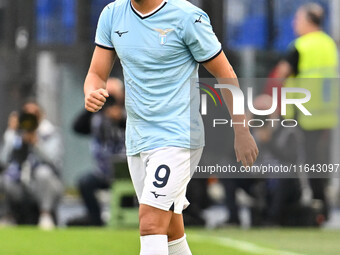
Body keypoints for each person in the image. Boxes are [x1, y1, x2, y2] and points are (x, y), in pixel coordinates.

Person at [84, 0, 258, 254]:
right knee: (171, 230)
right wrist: (91, 92)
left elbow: (226, 73)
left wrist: (241, 130)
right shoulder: (112, 14)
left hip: (178, 138)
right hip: (138, 140)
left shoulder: (187, 17)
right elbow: (96, 74)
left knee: (150, 222)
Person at [273, 3, 339, 220]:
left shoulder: (302, 46)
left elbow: (280, 75)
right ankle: (321, 206)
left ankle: (290, 207)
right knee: (316, 162)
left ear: (309, 22)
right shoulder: (329, 44)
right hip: (324, 115)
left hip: (300, 115)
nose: (294, 24)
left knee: (291, 159)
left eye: (297, 19)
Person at [68, 78, 126, 226]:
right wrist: (93, 104)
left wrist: (120, 120)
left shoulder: (129, 110)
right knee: (85, 182)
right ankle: (95, 219)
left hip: (128, 167)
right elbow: (77, 127)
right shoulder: (96, 115)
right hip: (103, 171)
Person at [0, 101, 63, 230]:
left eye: (34, 114)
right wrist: (11, 133)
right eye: (26, 114)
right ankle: (7, 216)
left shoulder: (50, 133)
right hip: (21, 184)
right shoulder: (16, 135)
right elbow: (3, 161)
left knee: (42, 172)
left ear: (41, 115)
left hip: (48, 185)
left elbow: (53, 161)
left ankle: (45, 215)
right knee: (6, 177)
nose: (30, 117)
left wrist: (36, 144)